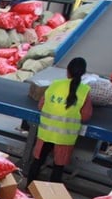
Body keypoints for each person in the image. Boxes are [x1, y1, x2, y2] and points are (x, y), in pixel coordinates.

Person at [25, 57, 93, 185]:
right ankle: (52, 196)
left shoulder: (55, 85)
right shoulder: (84, 91)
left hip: (46, 134)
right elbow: (85, 116)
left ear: (68, 71)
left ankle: (29, 188)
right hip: (64, 138)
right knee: (58, 166)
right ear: (83, 73)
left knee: (37, 161)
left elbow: (41, 106)